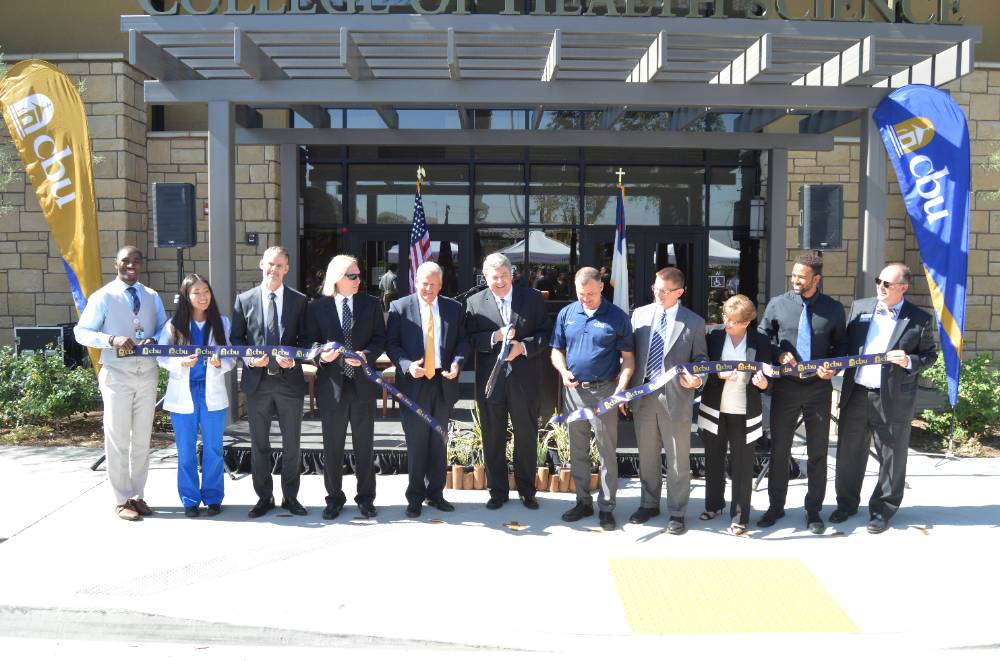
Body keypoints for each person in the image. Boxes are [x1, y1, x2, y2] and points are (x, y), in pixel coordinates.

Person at [831, 262, 937, 534]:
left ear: (903, 287)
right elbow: (847, 345)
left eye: (887, 283)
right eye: (879, 281)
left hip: (892, 398)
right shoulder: (861, 307)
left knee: (891, 456)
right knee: (848, 453)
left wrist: (910, 360)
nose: (880, 286)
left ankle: (882, 510)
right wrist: (835, 363)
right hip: (856, 392)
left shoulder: (919, 318)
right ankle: (846, 504)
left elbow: (929, 356)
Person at [75, 246, 168, 521]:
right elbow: (82, 332)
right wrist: (111, 339)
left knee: (141, 438)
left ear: (141, 265)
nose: (131, 265)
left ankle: (137, 494)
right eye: (125, 261)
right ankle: (120, 499)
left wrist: (156, 338)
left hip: (147, 373)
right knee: (117, 438)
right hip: (117, 373)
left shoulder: (152, 296)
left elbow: (164, 327)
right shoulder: (103, 296)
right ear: (116, 264)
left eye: (135, 261)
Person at [759, 251, 847, 534]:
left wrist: (832, 369)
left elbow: (841, 349)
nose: (795, 280)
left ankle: (813, 510)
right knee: (780, 449)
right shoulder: (777, 304)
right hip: (785, 388)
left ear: (816, 279)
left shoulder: (833, 309)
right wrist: (779, 353)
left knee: (818, 452)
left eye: (802, 277)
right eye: (794, 275)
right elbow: (763, 339)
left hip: (819, 390)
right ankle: (776, 506)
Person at [464, 253, 551, 511]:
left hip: (524, 381)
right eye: (494, 277)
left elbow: (546, 334)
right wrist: (494, 336)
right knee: (492, 437)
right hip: (491, 382)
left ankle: (527, 490)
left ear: (512, 275)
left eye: (504, 275)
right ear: (486, 278)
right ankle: (498, 492)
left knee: (526, 436)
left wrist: (522, 347)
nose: (500, 281)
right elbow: (469, 339)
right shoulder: (474, 302)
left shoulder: (532, 299)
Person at [550, 267, 634, 531]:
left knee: (606, 451)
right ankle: (583, 502)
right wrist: (563, 372)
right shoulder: (567, 313)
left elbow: (629, 359)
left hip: (605, 391)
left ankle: (607, 508)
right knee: (577, 450)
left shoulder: (617, 317)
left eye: (590, 293)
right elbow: (556, 350)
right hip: (574, 392)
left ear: (601, 288)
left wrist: (621, 390)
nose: (585, 298)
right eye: (580, 293)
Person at [625, 267, 707, 535]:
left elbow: (701, 360)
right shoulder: (640, 315)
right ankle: (649, 504)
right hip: (643, 395)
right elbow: (630, 355)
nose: (658, 293)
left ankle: (677, 512)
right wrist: (624, 390)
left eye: (664, 290)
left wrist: (697, 379)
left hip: (676, 398)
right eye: (655, 288)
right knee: (646, 454)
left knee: (677, 459)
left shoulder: (693, 322)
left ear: (679, 292)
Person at [230, 245, 309, 519]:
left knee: (292, 444)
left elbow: (306, 342)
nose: (274, 270)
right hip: (257, 383)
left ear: (287, 269)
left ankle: (291, 497)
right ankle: (264, 496)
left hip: (289, 382)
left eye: (279, 266)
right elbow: (237, 340)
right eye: (270, 264)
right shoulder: (244, 300)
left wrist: (295, 360)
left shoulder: (299, 301)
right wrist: (251, 359)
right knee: (259, 444)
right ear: (261, 264)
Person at [306, 255, 386, 520]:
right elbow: (309, 344)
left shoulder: (371, 304)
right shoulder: (318, 307)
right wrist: (320, 355)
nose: (358, 280)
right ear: (337, 278)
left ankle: (366, 498)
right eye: (352, 276)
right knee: (333, 447)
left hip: (362, 386)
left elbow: (380, 339)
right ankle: (334, 498)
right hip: (332, 387)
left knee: (365, 447)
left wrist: (366, 354)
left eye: (359, 275)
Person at [387, 261, 469, 518]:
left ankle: (436, 494)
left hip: (443, 383)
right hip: (414, 385)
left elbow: (463, 341)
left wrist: (457, 362)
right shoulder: (400, 308)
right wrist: (407, 365)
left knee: (438, 442)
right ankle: (414, 497)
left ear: (441, 285)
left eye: (434, 284)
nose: (429, 288)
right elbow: (392, 344)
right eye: (424, 283)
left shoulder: (454, 308)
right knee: (416, 442)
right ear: (416, 282)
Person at [157, 274, 236, 518]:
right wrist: (181, 362)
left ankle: (213, 498)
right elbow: (161, 356)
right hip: (184, 394)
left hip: (211, 393)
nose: (203, 297)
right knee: (186, 449)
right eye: (196, 293)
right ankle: (190, 500)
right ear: (186, 297)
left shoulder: (222, 323)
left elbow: (231, 358)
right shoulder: (173, 325)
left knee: (214, 448)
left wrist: (218, 363)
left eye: (206, 292)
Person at [696, 295, 772, 536]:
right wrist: (716, 375)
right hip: (714, 406)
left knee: (742, 464)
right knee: (713, 459)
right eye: (725, 317)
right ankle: (713, 505)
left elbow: (769, 378)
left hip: (745, 411)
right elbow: (701, 367)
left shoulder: (760, 341)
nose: (726, 323)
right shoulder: (714, 336)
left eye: (733, 320)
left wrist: (763, 384)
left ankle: (740, 517)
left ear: (747, 322)